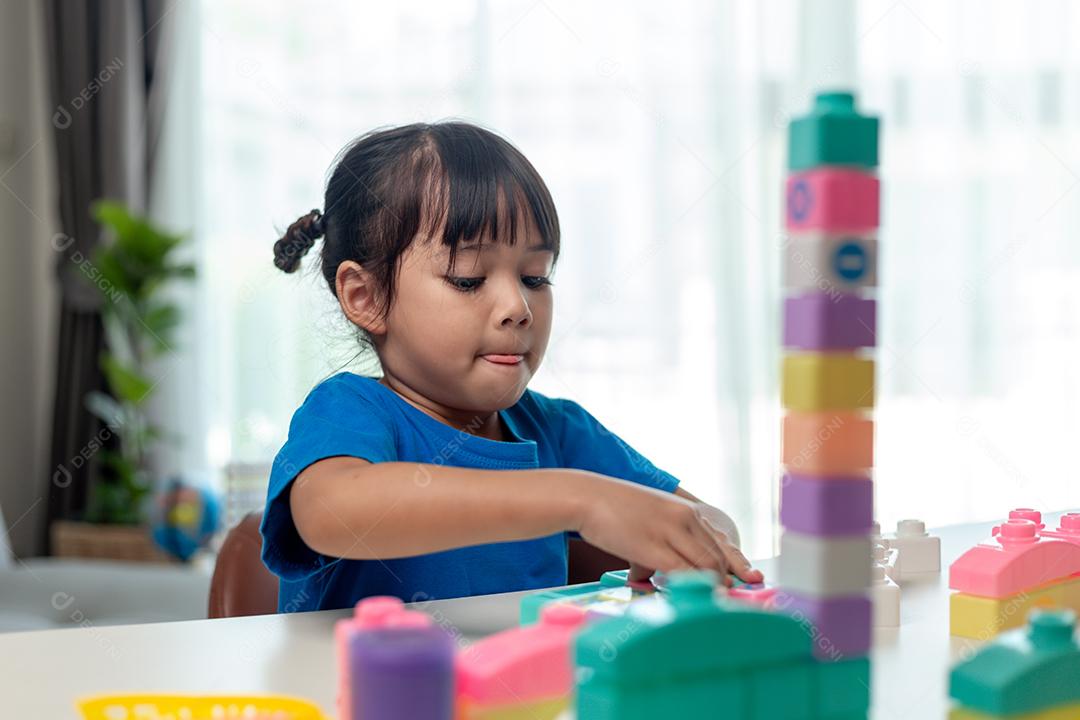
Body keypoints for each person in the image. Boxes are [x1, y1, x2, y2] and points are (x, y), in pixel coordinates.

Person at [260, 121, 762, 612]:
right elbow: (332, 512)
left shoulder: (558, 431)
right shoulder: (351, 411)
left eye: (534, 277)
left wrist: (697, 540)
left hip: (523, 696)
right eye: (468, 278)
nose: (518, 306)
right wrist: (579, 499)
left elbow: (707, 524)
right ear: (365, 297)